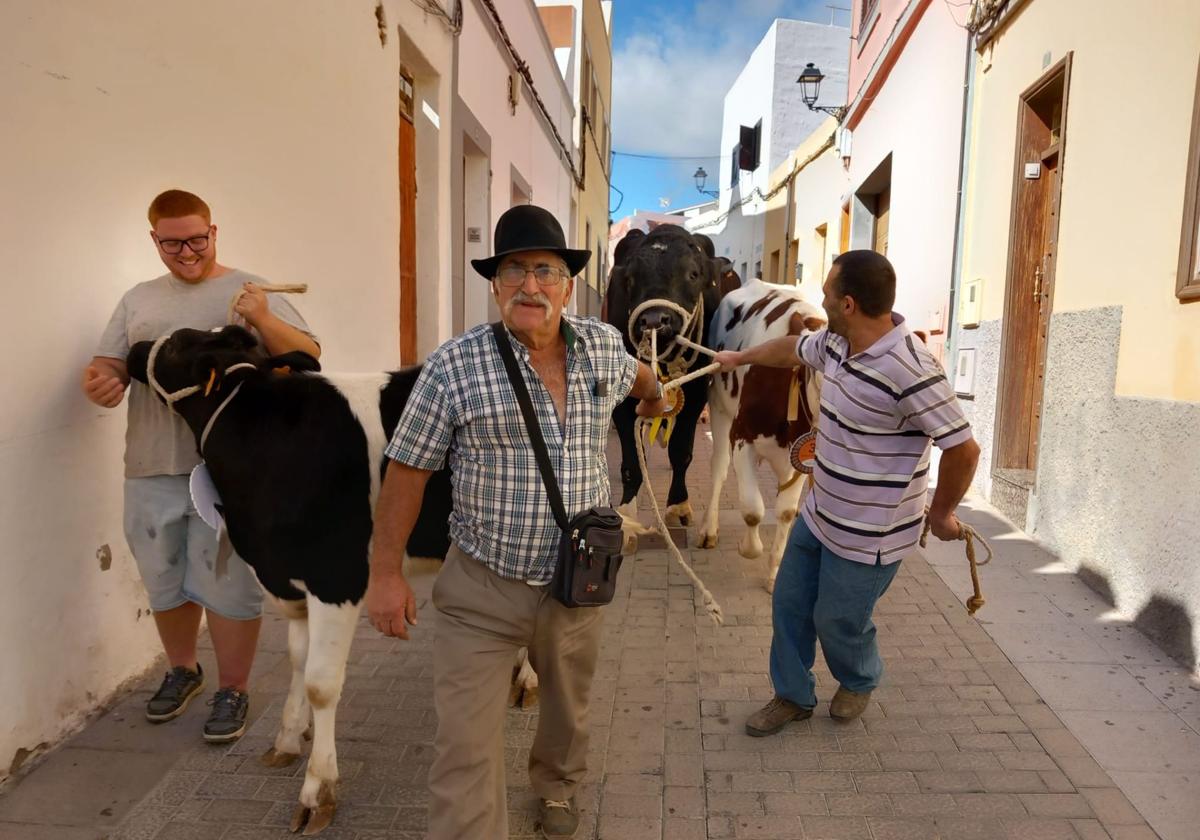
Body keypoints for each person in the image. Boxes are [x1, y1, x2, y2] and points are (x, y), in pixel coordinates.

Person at [366, 204, 669, 839]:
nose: (530, 286)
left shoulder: (602, 349)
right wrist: (385, 573)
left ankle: (557, 786)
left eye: (544, 270)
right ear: (495, 284)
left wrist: (656, 398)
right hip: (482, 587)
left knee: (567, 709)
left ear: (566, 283)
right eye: (513, 272)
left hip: (578, 579)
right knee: (463, 753)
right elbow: (407, 472)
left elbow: (646, 382)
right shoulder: (454, 367)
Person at [82, 189, 319, 743]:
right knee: (164, 579)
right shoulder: (137, 299)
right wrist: (100, 385)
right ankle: (183, 671)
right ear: (154, 241)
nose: (186, 251)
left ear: (215, 232)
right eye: (172, 242)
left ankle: (233, 690)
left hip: (233, 472)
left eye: (196, 239)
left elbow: (308, 355)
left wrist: (261, 316)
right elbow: (105, 365)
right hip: (149, 463)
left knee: (230, 582)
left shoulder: (250, 290)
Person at [712, 250, 980, 733]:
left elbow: (963, 448)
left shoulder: (911, 369)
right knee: (790, 605)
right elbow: (791, 348)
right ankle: (792, 695)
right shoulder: (835, 345)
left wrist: (941, 514)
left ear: (849, 304)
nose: (821, 300)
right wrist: (741, 356)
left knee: (838, 621)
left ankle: (859, 678)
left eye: (828, 293)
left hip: (870, 535)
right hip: (819, 514)